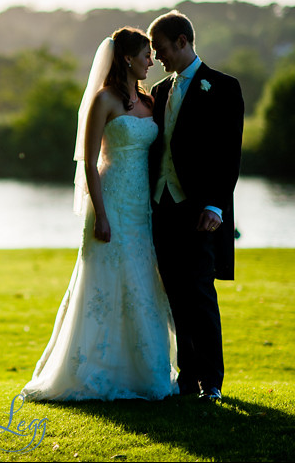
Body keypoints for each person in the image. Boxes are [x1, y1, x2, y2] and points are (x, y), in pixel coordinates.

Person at [20, 27, 178, 402]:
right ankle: (94, 369)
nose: (151, 61)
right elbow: (89, 162)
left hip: (141, 206)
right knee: (104, 283)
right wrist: (102, 215)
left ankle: (145, 372)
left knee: (141, 283)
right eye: (145, 55)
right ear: (127, 58)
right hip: (110, 203)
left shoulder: (150, 101)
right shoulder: (103, 100)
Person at [147, 10, 244, 401]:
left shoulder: (223, 86)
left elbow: (229, 155)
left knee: (200, 292)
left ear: (183, 41)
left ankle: (211, 382)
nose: (158, 57)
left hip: (200, 210)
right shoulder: (157, 91)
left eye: (163, 48)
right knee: (174, 295)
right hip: (161, 207)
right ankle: (186, 380)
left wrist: (216, 207)